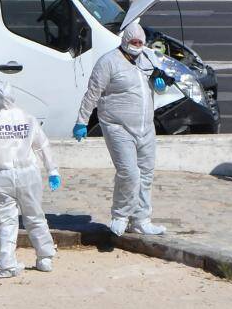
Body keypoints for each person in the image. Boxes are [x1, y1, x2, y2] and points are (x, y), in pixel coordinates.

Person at [72, 21, 167, 237]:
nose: (136, 45)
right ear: (125, 41)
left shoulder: (146, 59)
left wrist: (160, 85)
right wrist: (82, 121)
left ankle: (141, 219)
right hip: (117, 127)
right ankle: (120, 215)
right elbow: (93, 93)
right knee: (129, 173)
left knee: (146, 174)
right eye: (133, 42)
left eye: (140, 42)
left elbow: (153, 87)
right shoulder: (108, 62)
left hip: (145, 127)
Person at [0, 82, 60, 279]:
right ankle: (45, 257)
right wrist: (52, 170)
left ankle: (6, 263)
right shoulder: (28, 118)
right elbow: (43, 145)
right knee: (35, 215)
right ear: (14, 97)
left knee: (6, 220)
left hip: (1, 174)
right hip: (28, 173)